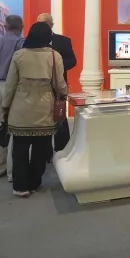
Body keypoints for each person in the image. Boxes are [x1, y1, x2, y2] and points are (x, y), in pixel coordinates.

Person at [2, 22, 67, 197]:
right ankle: (34, 182)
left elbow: (10, 84)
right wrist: (64, 94)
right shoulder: (54, 56)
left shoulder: (19, 55)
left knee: (19, 150)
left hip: (20, 106)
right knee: (41, 149)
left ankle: (20, 186)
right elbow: (60, 83)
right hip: (44, 106)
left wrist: (5, 107)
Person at [0, 15, 24, 180]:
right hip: (15, 88)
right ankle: (12, 171)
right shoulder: (21, 43)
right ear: (22, 27)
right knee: (15, 129)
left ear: (5, 26)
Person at [37, 13, 76, 160]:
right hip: (39, 87)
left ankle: (62, 150)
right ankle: (45, 153)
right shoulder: (33, 42)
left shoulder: (63, 41)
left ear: (51, 25)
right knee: (42, 120)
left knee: (60, 117)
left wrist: (57, 66)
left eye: (44, 23)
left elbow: (72, 60)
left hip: (58, 85)